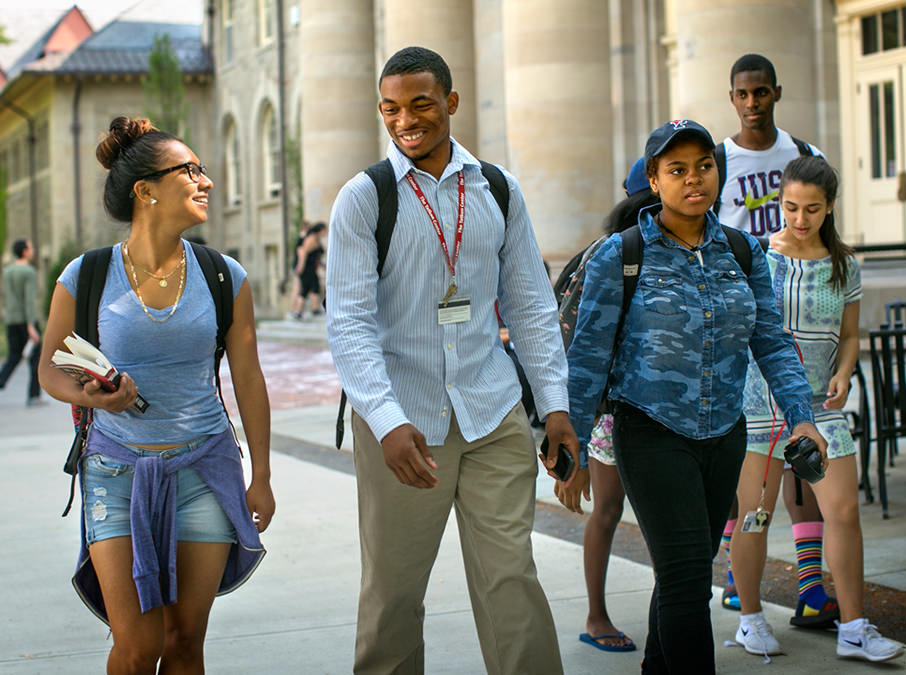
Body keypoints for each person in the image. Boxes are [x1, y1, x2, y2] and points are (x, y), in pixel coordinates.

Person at [326, 46, 580, 674]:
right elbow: (349, 324)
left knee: (511, 579)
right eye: (391, 109)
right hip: (404, 426)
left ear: (451, 103)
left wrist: (555, 407)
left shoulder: (497, 189)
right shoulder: (363, 199)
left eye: (420, 104)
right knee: (393, 594)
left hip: (492, 413)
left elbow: (531, 308)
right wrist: (384, 422)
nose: (405, 120)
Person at [567, 119, 826, 674]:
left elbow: (773, 341)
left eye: (704, 166)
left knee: (685, 571)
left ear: (719, 172)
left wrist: (802, 417)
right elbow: (587, 358)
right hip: (651, 432)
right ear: (654, 182)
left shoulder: (744, 250)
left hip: (725, 434)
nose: (694, 179)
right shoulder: (621, 255)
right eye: (677, 169)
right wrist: (573, 449)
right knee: (688, 583)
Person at [37, 116, 275, 674]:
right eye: (190, 170)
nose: (206, 180)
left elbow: (249, 379)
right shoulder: (85, 275)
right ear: (146, 190)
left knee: (185, 641)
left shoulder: (224, 276)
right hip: (114, 474)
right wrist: (95, 399)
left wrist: (260, 474)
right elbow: (52, 366)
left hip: (204, 469)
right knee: (139, 646)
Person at [729, 156, 903, 663]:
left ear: (829, 208)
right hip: (761, 402)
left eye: (811, 209)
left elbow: (850, 336)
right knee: (755, 515)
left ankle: (853, 627)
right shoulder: (759, 256)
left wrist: (846, 372)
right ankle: (751, 620)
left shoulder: (845, 264)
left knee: (844, 511)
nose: (799, 219)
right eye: (789, 207)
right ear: (778, 202)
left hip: (821, 406)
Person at [716, 53, 835, 626]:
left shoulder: (805, 156)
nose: (752, 102)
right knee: (750, 457)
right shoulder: (718, 160)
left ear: (776, 93)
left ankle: (811, 585)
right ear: (732, 97)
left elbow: (828, 231)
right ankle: (741, 579)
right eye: (743, 94)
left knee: (802, 454)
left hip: (800, 315)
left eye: (761, 93)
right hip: (743, 320)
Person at [566, 157, 659, 654]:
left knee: (672, 518)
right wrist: (574, 453)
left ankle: (671, 614)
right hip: (611, 413)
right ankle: (596, 614)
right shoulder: (608, 256)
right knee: (606, 509)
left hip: (672, 411)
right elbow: (578, 348)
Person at [0, 238, 44, 405]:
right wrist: (31, 326)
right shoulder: (28, 272)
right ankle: (33, 395)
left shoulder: (7, 271)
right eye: (31, 247)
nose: (33, 250)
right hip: (26, 320)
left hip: (11, 319)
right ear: (25, 251)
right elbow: (28, 300)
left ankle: (1, 381)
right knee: (35, 358)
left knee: (13, 356)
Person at [296, 221, 326, 317]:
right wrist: (301, 265)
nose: (325, 233)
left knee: (309, 288)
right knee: (311, 288)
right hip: (307, 268)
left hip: (311, 268)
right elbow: (302, 251)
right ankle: (312, 309)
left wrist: (323, 265)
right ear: (320, 230)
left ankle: (302, 311)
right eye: (324, 230)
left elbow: (317, 256)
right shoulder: (312, 239)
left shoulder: (316, 239)